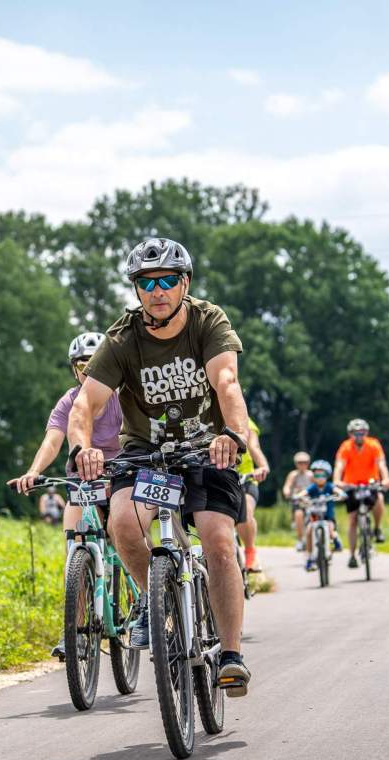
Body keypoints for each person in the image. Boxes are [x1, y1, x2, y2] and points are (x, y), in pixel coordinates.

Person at [67, 237, 252, 697]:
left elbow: (226, 382)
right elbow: (84, 405)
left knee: (217, 540)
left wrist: (234, 433)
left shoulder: (208, 322)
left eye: (168, 280)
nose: (158, 291)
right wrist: (81, 448)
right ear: (136, 290)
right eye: (147, 283)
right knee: (125, 527)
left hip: (209, 450)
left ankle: (230, 654)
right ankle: (157, 601)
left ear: (184, 283)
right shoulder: (123, 338)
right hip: (146, 455)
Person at [8, 331, 122, 657]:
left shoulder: (119, 398)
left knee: (122, 529)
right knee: (74, 544)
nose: (88, 372)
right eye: (82, 365)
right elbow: (53, 441)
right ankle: (74, 630)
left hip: (119, 476)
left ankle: (142, 599)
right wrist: (33, 471)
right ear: (75, 369)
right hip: (82, 482)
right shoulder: (69, 401)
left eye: (94, 364)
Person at [333, 418, 389, 569]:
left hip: (370, 483)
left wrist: (386, 479)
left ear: (366, 433)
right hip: (351, 485)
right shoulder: (345, 447)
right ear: (350, 434)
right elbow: (339, 466)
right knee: (352, 520)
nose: (358, 436)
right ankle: (352, 555)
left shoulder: (373, 445)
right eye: (355, 433)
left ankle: (377, 529)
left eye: (361, 433)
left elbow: (381, 464)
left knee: (379, 498)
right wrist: (337, 481)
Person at [235, 418, 270, 573]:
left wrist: (262, 466)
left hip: (244, 477)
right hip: (218, 477)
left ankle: (250, 553)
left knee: (246, 513)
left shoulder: (245, 421)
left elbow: (254, 447)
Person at [294, 460, 343, 571]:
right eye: (317, 475)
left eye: (323, 475)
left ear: (327, 475)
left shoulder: (329, 487)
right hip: (314, 518)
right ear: (313, 476)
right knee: (309, 531)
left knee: (331, 529)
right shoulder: (313, 488)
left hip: (328, 517)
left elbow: (337, 490)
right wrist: (298, 496)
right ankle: (310, 557)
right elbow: (304, 493)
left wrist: (341, 494)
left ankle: (335, 541)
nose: (320, 477)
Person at [282, 452, 313, 550]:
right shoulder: (293, 474)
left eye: (304, 462)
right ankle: (300, 540)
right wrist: (287, 492)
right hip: (298, 500)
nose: (302, 465)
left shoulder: (311, 474)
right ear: (296, 464)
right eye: (300, 462)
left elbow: (317, 485)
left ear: (308, 463)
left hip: (310, 501)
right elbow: (287, 485)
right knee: (298, 515)